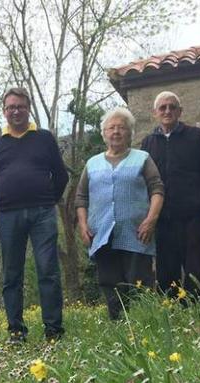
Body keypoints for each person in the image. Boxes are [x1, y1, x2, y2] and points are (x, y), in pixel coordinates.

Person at [0, 87, 69, 343]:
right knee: (11, 274)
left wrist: (47, 198)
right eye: (11, 107)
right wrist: (8, 197)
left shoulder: (44, 138)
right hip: (8, 215)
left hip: (43, 212)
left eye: (20, 106)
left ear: (28, 108)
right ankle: (16, 330)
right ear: (4, 111)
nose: (16, 111)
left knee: (48, 270)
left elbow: (61, 175)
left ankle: (53, 330)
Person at [76, 108, 164, 320]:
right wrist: (83, 225)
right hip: (102, 234)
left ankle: (144, 325)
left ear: (130, 132)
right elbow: (81, 197)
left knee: (139, 284)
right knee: (110, 284)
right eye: (111, 128)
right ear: (104, 133)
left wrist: (151, 220)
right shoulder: (92, 163)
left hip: (137, 233)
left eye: (122, 128)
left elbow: (157, 189)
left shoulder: (142, 158)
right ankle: (118, 327)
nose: (116, 132)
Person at [140, 91, 200, 301]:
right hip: (163, 220)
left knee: (197, 270)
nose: (167, 111)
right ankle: (172, 313)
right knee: (166, 273)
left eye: (172, 107)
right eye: (163, 107)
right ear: (155, 113)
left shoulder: (196, 137)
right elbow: (144, 182)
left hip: (193, 217)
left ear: (180, 111)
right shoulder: (148, 143)